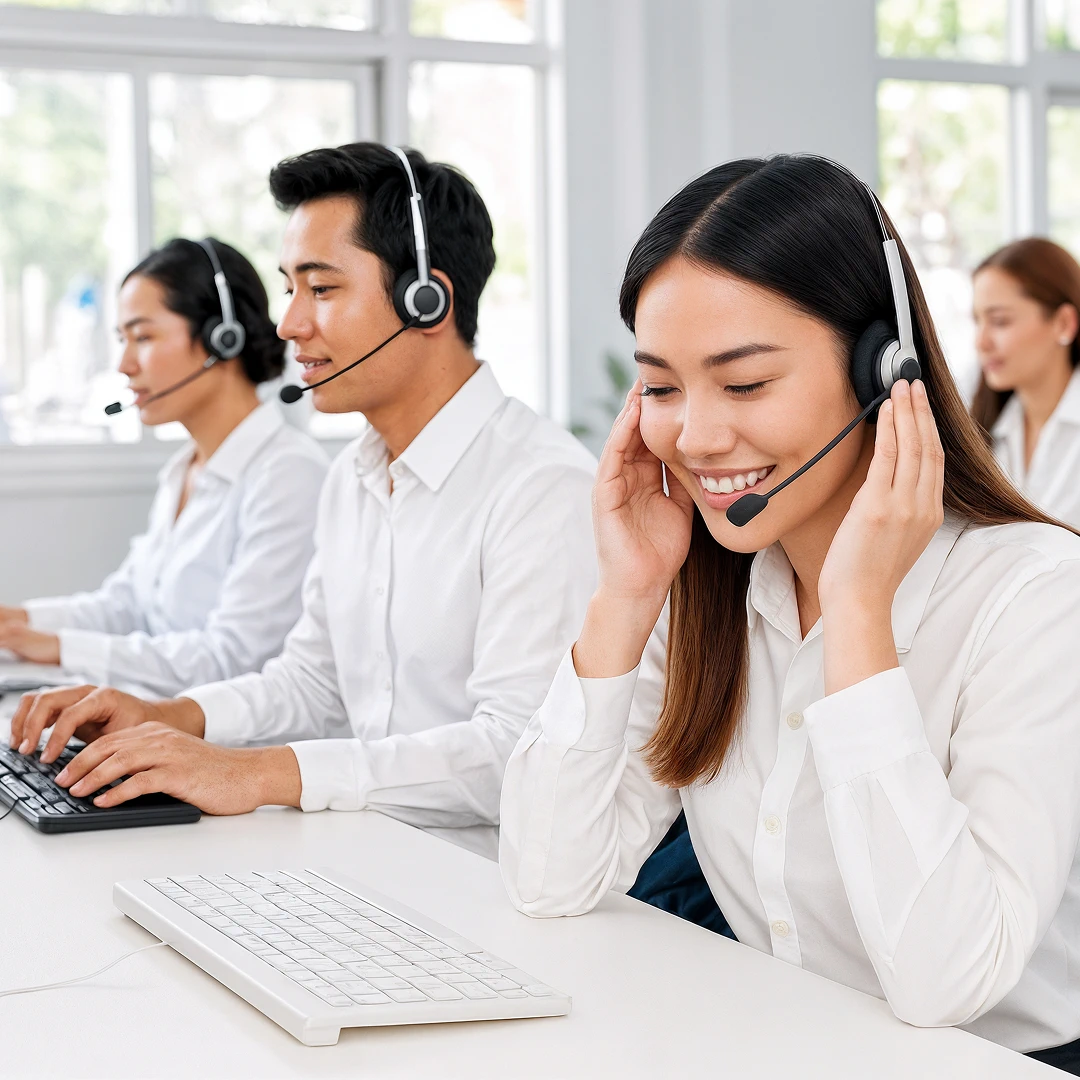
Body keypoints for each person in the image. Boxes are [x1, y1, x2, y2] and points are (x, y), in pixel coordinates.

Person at [499, 156, 1080, 1071]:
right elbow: (547, 880)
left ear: (884, 373)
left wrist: (857, 615)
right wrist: (625, 596)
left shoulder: (1035, 594)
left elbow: (946, 984)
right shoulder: (710, 586)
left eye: (743, 384)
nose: (693, 436)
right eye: (659, 387)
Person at [9, 143, 596, 847]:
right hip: (363, 848)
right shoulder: (352, 477)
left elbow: (513, 753)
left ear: (426, 300)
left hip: (485, 878)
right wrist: (173, 717)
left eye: (321, 289)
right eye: (291, 288)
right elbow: (313, 685)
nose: (289, 325)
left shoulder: (541, 488)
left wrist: (259, 772)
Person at [0, 238, 327, 699]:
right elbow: (129, 604)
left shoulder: (288, 475)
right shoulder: (183, 470)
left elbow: (231, 658)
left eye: (143, 336)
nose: (124, 364)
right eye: (122, 340)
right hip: (157, 722)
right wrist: (18, 622)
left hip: (231, 749)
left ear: (222, 336)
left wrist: (56, 646)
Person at [971, 237, 1080, 528]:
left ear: (1064, 324)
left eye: (1000, 321)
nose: (981, 342)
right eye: (977, 321)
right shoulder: (985, 431)